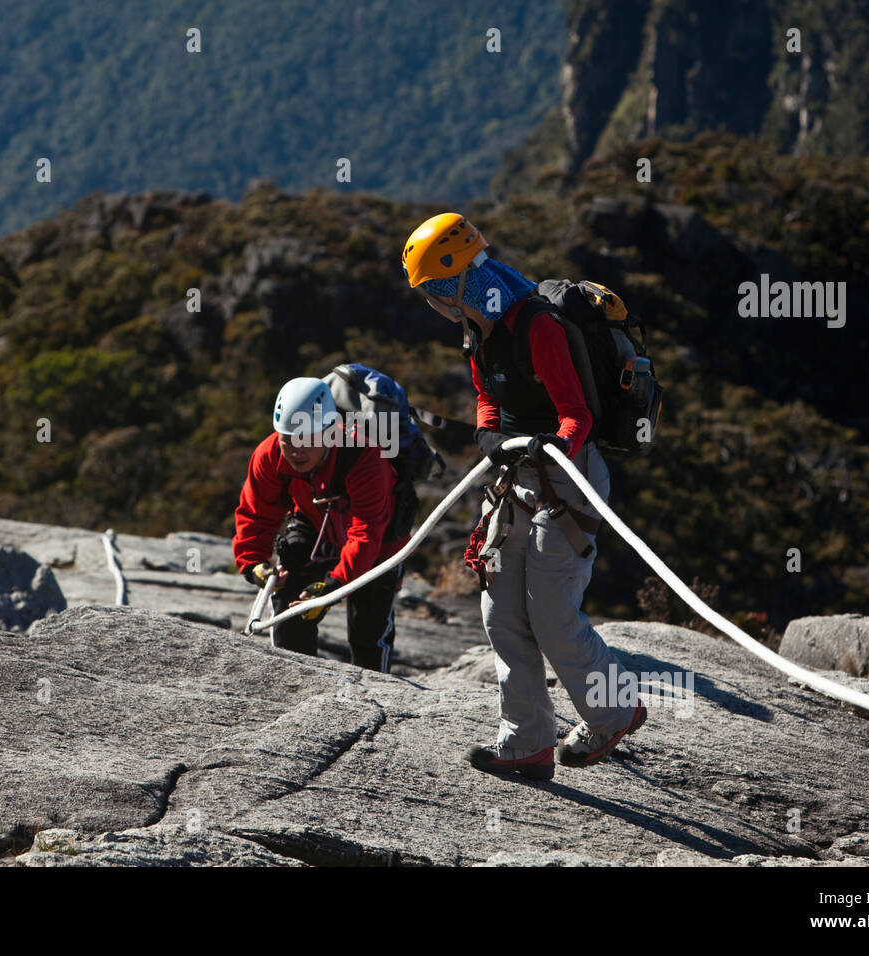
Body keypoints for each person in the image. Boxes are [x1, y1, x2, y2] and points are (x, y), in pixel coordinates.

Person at [401, 213, 646, 779]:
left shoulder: (537, 325)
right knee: (500, 609)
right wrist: (491, 434)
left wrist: (546, 449)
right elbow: (488, 397)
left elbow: (577, 414)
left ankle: (616, 711)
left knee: (553, 613)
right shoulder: (478, 328)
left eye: (436, 290)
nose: (435, 303)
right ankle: (526, 742)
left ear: (458, 281)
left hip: (567, 477)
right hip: (516, 474)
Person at [233, 377, 407, 672]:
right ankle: (294, 686)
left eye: (307, 438)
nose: (296, 450)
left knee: (368, 635)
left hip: (378, 544)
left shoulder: (364, 457)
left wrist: (333, 586)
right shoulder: (270, 454)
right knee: (290, 612)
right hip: (316, 528)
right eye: (288, 438)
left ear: (328, 432)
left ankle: (379, 700)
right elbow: (256, 513)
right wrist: (252, 564)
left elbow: (366, 532)